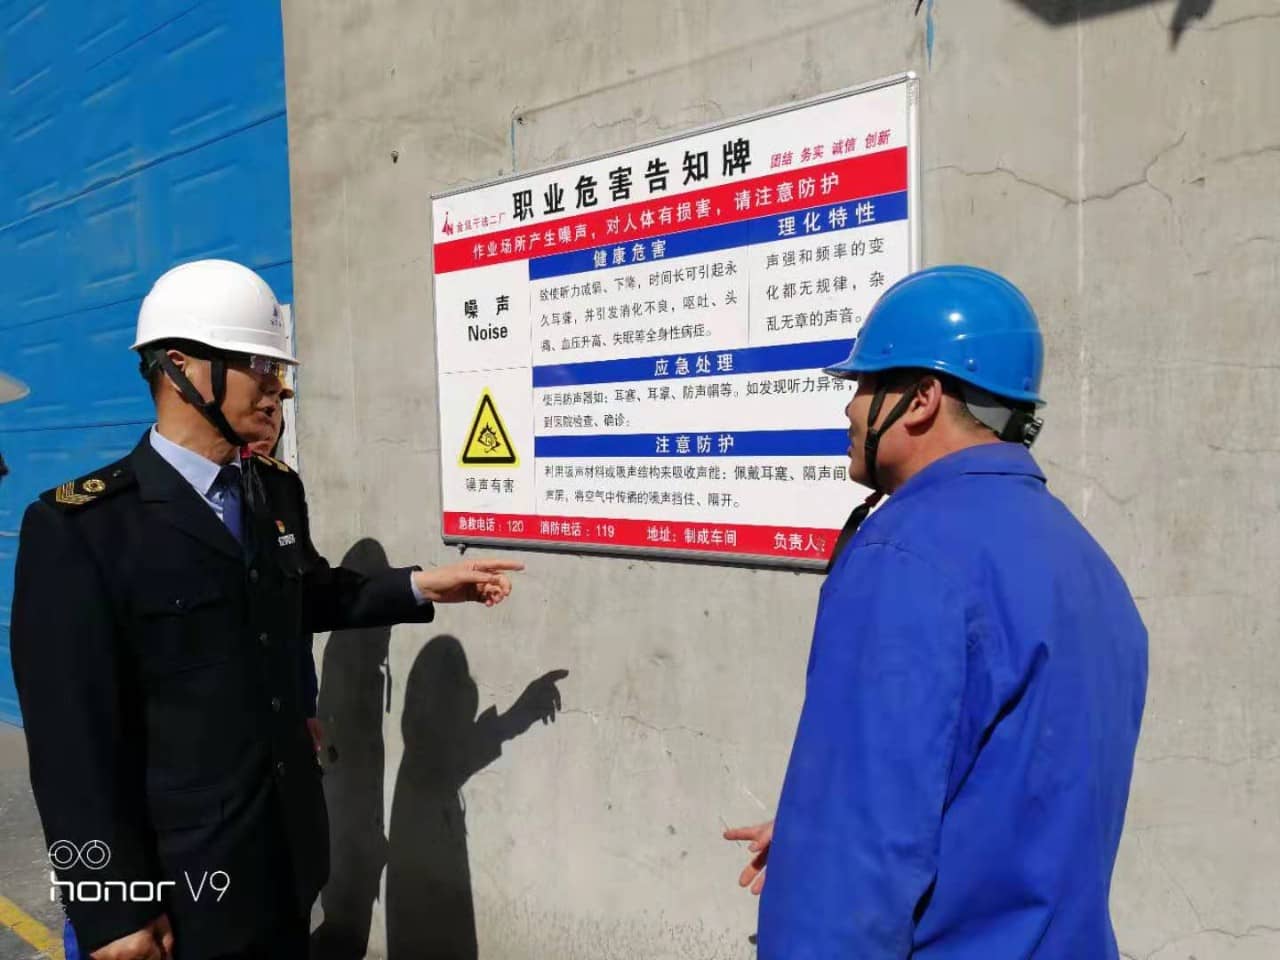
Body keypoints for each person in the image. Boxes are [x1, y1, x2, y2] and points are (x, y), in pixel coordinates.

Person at [11, 259, 523, 960]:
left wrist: (421, 585)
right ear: (183, 368)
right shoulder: (84, 528)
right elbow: (70, 746)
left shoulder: (274, 490)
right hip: (182, 887)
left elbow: (302, 596)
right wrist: (111, 909)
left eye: (277, 368)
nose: (278, 386)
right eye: (259, 365)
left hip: (286, 856)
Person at [724, 265, 1148, 958]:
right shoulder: (1085, 561)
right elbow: (1016, 800)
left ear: (921, 399)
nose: (850, 408)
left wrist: (828, 850)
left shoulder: (906, 557)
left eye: (866, 384)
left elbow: (852, 872)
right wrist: (814, 830)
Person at [246, 406, 323, 755]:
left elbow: (300, 611)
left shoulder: (284, 485)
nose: (271, 417)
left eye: (278, 403)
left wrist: (306, 706)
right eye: (261, 400)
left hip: (286, 700)